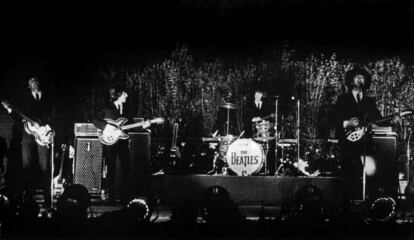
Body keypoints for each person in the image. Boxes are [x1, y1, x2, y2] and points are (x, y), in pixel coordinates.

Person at [331, 68, 399, 209]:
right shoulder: (343, 99)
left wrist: (392, 119)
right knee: (348, 174)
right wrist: (348, 123)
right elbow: (333, 119)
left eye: (362, 77)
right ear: (350, 81)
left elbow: (378, 119)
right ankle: (346, 207)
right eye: (357, 77)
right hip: (347, 144)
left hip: (365, 143)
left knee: (371, 172)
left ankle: (369, 205)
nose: (359, 80)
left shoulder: (369, 101)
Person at [1, 77, 53, 208]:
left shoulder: (48, 98)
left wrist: (50, 130)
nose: (34, 83)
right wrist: (9, 109)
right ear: (29, 86)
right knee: (27, 169)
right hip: (28, 138)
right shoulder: (23, 100)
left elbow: (54, 115)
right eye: (31, 82)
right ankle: (28, 202)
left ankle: (48, 201)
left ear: (39, 84)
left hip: (44, 136)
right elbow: (18, 117)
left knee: (45, 168)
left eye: (35, 81)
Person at [93, 86, 149, 203]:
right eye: (124, 94)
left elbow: (131, 125)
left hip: (123, 142)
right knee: (111, 169)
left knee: (126, 168)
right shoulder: (106, 108)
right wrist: (107, 127)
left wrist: (144, 125)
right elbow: (95, 121)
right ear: (118, 95)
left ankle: (125, 196)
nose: (127, 96)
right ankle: (111, 197)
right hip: (109, 143)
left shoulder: (127, 109)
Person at [243, 88, 276, 175]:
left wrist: (268, 121)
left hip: (262, 132)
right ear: (254, 95)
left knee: (270, 146)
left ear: (262, 96)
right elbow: (245, 118)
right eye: (257, 94)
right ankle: (252, 168)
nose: (258, 96)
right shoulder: (248, 105)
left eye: (260, 94)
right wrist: (252, 119)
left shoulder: (266, 106)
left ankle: (267, 167)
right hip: (251, 131)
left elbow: (270, 118)